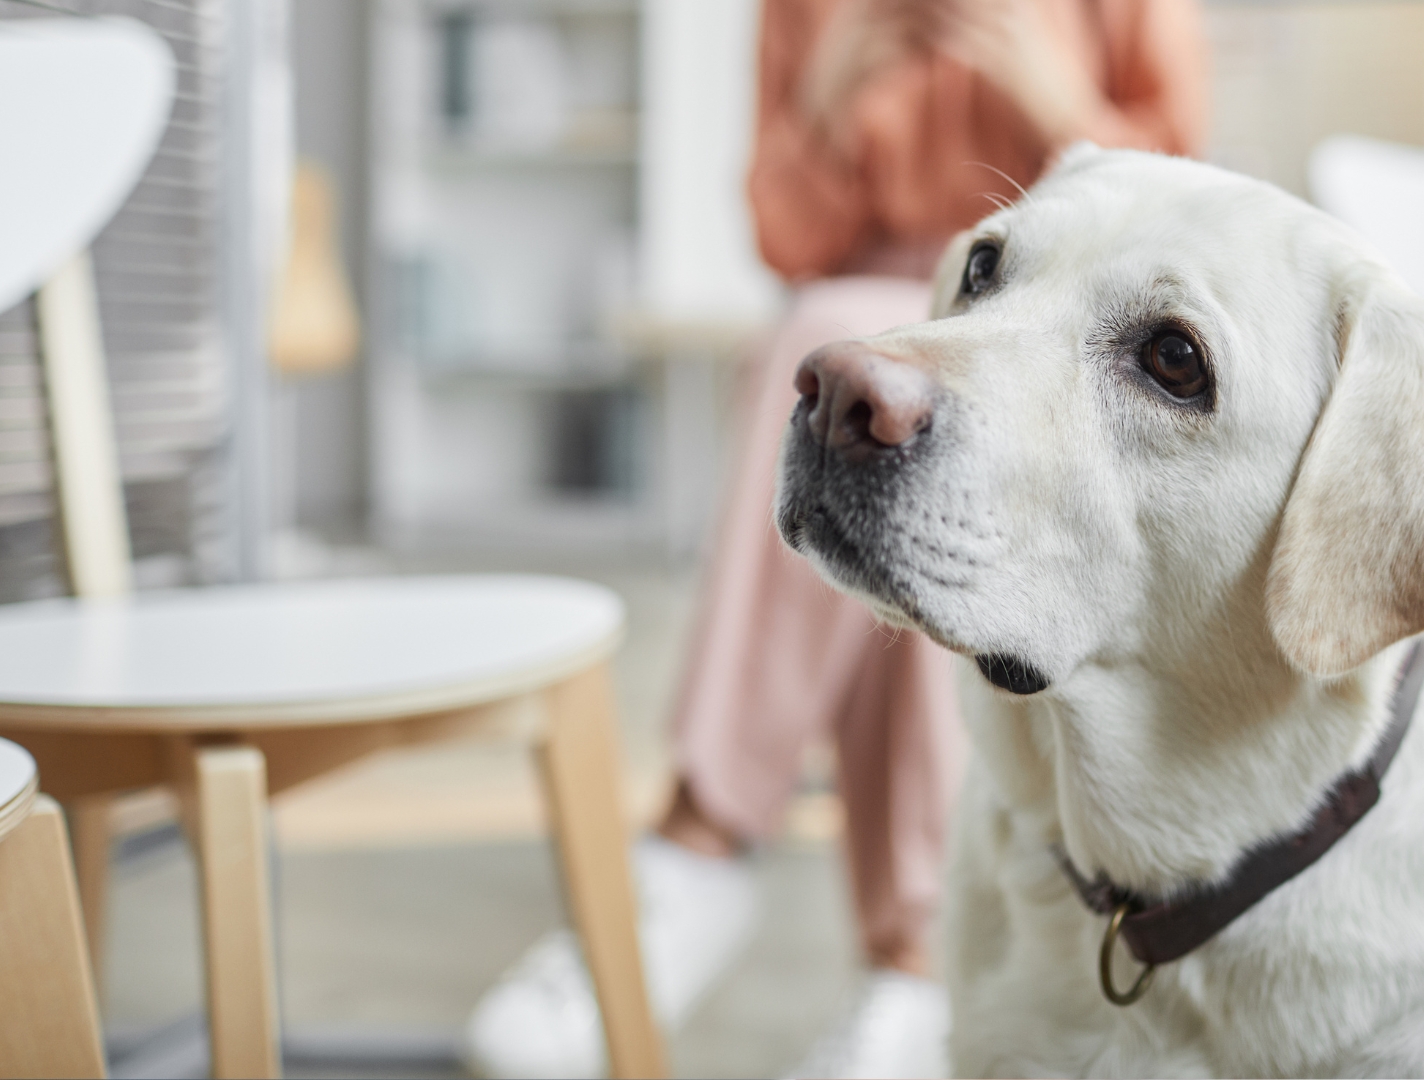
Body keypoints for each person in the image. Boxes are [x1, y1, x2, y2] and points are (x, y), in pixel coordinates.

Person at [466, 2, 1207, 1076]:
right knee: (848, 371)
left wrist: (1047, 98)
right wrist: (829, 93)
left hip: (1051, 341)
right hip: (861, 311)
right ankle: (909, 970)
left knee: (870, 386)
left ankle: (701, 847)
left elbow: (1188, 215)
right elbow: (784, 239)